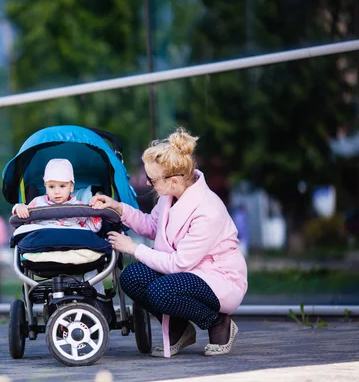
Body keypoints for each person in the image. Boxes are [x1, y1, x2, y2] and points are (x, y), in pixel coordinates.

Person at [91, 127, 248, 358]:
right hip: (187, 271)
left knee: (161, 291)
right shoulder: (170, 196)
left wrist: (134, 248)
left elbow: (180, 264)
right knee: (132, 278)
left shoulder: (208, 210)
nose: (148, 183)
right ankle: (179, 328)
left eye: (151, 180)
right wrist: (118, 207)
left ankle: (218, 322)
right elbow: (153, 227)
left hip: (219, 278)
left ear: (173, 180)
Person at [13, 158, 101, 232]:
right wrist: (19, 208)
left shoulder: (79, 206)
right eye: (51, 187)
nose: (57, 192)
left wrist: (97, 210)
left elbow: (93, 227)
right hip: (44, 240)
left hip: (73, 241)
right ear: (46, 187)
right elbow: (26, 223)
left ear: (71, 187)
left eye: (62, 186)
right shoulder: (38, 202)